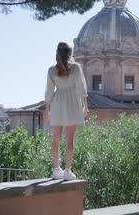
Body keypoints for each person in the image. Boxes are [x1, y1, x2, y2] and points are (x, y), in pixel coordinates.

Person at [44, 42, 88, 180]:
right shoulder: (76, 67)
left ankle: (56, 169)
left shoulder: (51, 70)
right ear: (70, 53)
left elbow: (49, 91)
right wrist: (85, 106)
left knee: (55, 139)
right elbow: (81, 88)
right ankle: (68, 171)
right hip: (73, 102)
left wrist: (47, 109)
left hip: (57, 102)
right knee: (70, 140)